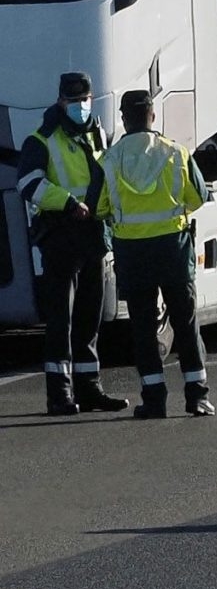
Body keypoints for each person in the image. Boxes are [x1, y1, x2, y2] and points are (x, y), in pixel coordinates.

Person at [15, 71, 126, 416]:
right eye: (74, 100)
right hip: (61, 235)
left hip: (93, 234)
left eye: (85, 100)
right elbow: (29, 184)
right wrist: (67, 203)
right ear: (61, 101)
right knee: (60, 318)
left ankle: (90, 388)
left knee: (89, 317)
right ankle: (59, 394)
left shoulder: (98, 134)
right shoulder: (41, 139)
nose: (80, 106)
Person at [101, 88, 211, 418]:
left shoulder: (110, 159)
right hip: (173, 251)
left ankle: (154, 400)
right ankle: (197, 397)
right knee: (186, 323)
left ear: (123, 119)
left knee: (144, 329)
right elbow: (199, 196)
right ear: (152, 115)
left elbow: (99, 206)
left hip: (133, 254)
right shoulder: (176, 153)